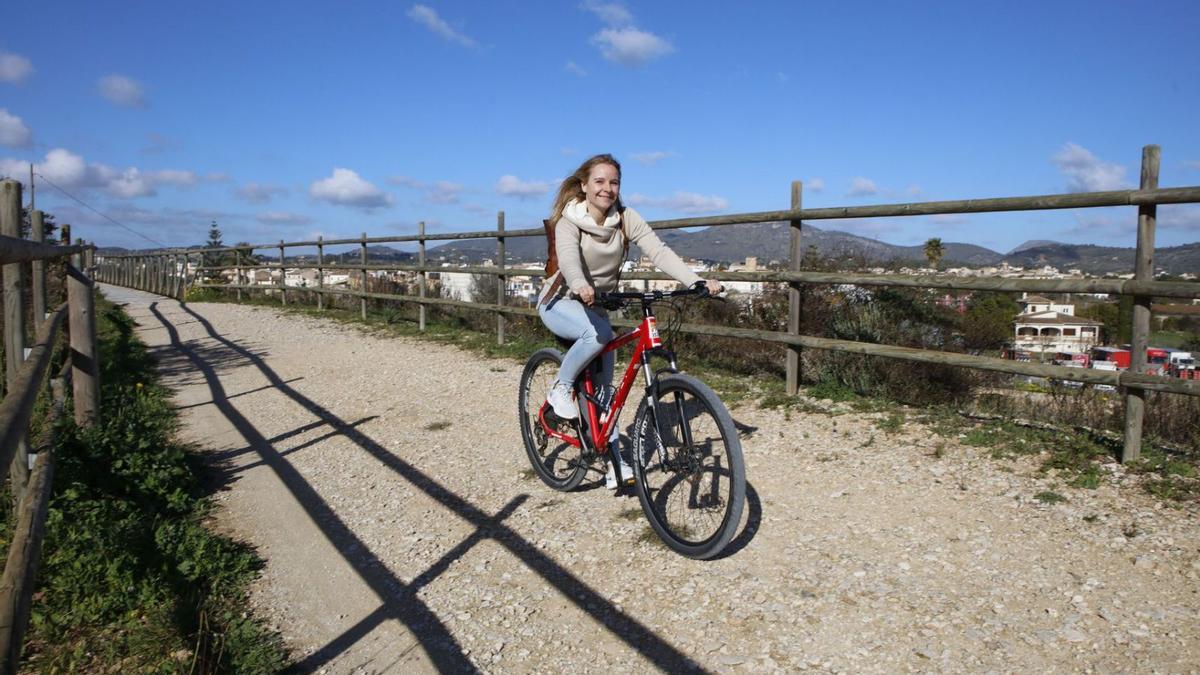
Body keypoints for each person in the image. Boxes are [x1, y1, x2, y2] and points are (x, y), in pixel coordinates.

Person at [537, 153, 722, 488]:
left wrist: (693, 281)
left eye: (614, 182)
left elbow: (659, 250)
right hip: (561, 301)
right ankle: (561, 388)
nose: (607, 189)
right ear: (584, 185)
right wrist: (579, 283)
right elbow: (568, 258)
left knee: (607, 394)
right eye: (599, 181)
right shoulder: (569, 221)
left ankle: (614, 464)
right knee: (599, 335)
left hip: (596, 305)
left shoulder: (625, 219)